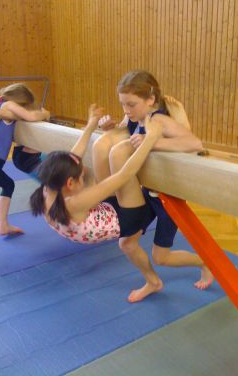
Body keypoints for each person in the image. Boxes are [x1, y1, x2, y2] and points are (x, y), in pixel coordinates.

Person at [93, 70, 213, 302]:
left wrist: (154, 143)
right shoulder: (134, 119)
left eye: (131, 104)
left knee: (161, 258)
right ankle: (153, 282)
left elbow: (194, 142)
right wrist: (111, 127)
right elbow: (128, 139)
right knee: (127, 243)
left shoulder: (158, 120)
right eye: (123, 104)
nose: (126, 110)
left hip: (168, 199)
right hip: (148, 193)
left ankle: (204, 261)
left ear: (150, 100)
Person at [30, 104, 164, 301]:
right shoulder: (74, 202)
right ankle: (139, 139)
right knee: (118, 157)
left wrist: (91, 124)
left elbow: (73, 157)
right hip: (127, 219)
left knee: (99, 146)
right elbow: (124, 175)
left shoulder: (47, 187)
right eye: (81, 178)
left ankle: (128, 128)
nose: (84, 179)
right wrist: (150, 139)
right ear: (70, 183)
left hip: (104, 211)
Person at [0, 83, 50, 235]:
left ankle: (3, 225)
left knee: (8, 185)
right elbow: (32, 116)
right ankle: (3, 225)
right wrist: (45, 114)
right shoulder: (9, 105)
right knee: (8, 185)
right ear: (21, 102)